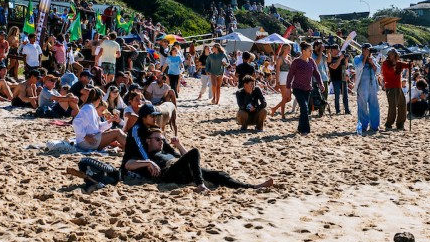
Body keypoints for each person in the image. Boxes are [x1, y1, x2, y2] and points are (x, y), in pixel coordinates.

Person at [122, 123, 272, 190]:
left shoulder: (166, 151)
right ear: (148, 141)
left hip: (183, 169)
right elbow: (128, 164)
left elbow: (189, 158)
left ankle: (252, 187)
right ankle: (200, 184)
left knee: (218, 174)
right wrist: (148, 163)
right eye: (157, 140)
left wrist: (179, 145)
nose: (161, 142)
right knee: (195, 152)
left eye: (162, 139)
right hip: (169, 174)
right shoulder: (145, 154)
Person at [286, 42, 324, 135]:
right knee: (304, 107)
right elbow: (290, 75)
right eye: (309, 50)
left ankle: (300, 127)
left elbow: (316, 73)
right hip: (297, 88)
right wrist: (288, 87)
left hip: (307, 89)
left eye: (311, 50)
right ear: (303, 51)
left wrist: (321, 83)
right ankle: (305, 129)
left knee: (304, 109)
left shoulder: (311, 61)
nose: (311, 52)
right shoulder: (296, 62)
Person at [353, 44, 381, 135]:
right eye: (368, 50)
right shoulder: (357, 58)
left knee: (374, 105)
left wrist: (372, 63)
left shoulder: (372, 59)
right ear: (363, 50)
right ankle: (363, 126)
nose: (369, 52)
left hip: (372, 85)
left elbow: (378, 71)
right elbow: (359, 67)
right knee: (362, 106)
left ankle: (374, 126)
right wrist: (364, 58)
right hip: (362, 86)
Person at [381, 50, 410, 130]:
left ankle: (400, 124)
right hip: (390, 87)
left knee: (403, 105)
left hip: (398, 87)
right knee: (392, 106)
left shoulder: (398, 62)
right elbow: (391, 71)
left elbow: (408, 66)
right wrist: (394, 61)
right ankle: (389, 124)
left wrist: (410, 63)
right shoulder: (385, 63)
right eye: (394, 55)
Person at [269, 45, 293, 119]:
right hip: (282, 78)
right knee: (285, 97)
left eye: (290, 49)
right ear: (284, 49)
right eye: (288, 49)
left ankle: (274, 109)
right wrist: (277, 82)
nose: (289, 50)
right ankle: (282, 115)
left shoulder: (289, 58)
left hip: (289, 78)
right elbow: (277, 71)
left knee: (289, 98)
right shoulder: (280, 59)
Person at [328, 46, 350, 115]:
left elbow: (345, 67)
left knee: (345, 95)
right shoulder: (330, 58)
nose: (338, 51)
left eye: (338, 50)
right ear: (332, 50)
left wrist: (346, 60)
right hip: (335, 79)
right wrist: (340, 59)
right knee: (337, 95)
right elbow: (334, 67)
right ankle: (338, 110)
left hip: (342, 78)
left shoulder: (340, 58)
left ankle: (347, 109)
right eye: (336, 50)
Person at [311, 41, 330, 117]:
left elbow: (329, 60)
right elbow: (316, 63)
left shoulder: (322, 54)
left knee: (325, 95)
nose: (321, 47)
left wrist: (328, 52)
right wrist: (321, 52)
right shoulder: (312, 55)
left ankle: (321, 112)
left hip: (324, 77)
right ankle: (315, 109)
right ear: (315, 47)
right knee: (318, 95)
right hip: (317, 78)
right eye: (319, 46)